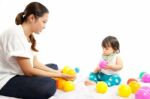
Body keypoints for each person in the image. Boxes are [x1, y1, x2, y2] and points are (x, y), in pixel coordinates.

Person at [0, 2, 75, 99]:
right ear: (32, 18)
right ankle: (50, 80)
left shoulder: (28, 36)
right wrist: (58, 75)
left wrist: (56, 73)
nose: (44, 26)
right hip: (6, 79)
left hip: (19, 73)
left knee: (54, 66)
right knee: (46, 86)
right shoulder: (15, 33)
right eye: (44, 21)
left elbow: (35, 63)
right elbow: (28, 71)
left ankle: (51, 77)